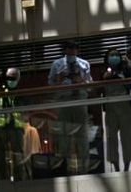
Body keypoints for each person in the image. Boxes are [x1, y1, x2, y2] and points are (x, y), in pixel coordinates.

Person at [47, 41, 92, 174]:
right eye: (69, 49)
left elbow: (90, 85)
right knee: (64, 138)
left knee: (82, 137)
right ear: (65, 50)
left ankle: (84, 170)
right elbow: (50, 86)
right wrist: (59, 78)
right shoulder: (57, 64)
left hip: (80, 102)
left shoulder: (84, 64)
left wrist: (81, 80)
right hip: (64, 102)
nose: (72, 52)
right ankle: (65, 171)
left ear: (78, 50)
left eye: (74, 49)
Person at [102, 48, 131, 171]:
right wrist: (105, 78)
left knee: (128, 136)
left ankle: (127, 165)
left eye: (116, 55)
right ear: (107, 58)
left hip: (125, 106)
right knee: (111, 137)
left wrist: (122, 78)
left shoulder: (126, 69)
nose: (114, 57)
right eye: (112, 55)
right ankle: (115, 165)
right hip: (110, 107)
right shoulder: (104, 71)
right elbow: (99, 90)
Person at [0, 67, 27, 181]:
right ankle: (3, 181)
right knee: (1, 157)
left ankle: (19, 179)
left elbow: (24, 110)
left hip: (15, 127)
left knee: (17, 155)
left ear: (18, 78)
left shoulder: (20, 91)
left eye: (13, 77)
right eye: (8, 77)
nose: (10, 79)